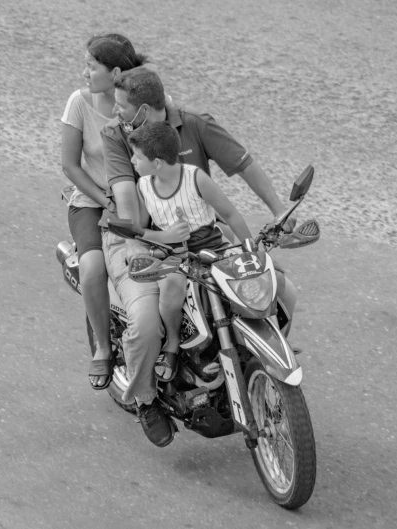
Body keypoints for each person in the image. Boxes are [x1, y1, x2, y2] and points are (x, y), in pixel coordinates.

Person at [99, 66, 296, 447]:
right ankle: (146, 399)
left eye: (121, 106)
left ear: (142, 111)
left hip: (208, 239)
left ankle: (256, 356)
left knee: (284, 291)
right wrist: (145, 241)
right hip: (146, 243)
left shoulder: (195, 126)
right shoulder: (118, 139)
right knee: (144, 324)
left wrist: (277, 214)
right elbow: (129, 207)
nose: (114, 113)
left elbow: (243, 168)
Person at [127, 121, 252, 380]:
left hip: (214, 247)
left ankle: (263, 336)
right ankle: (173, 342)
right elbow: (139, 230)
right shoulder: (144, 186)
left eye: (137, 157)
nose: (133, 161)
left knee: (255, 280)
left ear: (157, 162)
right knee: (172, 285)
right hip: (174, 255)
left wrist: (250, 251)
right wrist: (164, 236)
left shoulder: (196, 178)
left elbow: (230, 215)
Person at [60, 34, 147, 390]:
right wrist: (104, 197)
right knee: (93, 267)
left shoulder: (139, 103)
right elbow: (70, 166)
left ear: (114, 72)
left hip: (140, 200)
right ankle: (102, 347)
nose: (84, 73)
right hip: (90, 201)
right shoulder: (78, 103)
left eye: (90, 66)